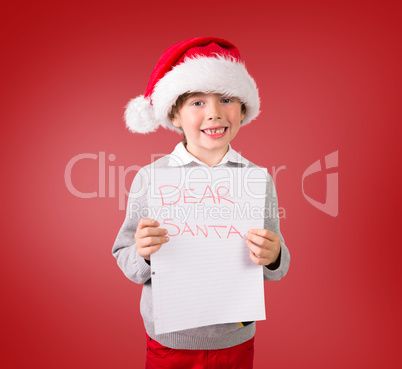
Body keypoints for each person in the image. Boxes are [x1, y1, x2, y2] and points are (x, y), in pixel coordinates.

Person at [112, 37, 290, 369]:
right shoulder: (151, 179)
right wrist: (143, 252)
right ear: (174, 116)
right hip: (170, 341)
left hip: (235, 339)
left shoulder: (256, 180)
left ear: (243, 110)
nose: (215, 113)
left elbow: (277, 262)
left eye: (226, 99)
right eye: (197, 102)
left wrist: (274, 255)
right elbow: (126, 256)